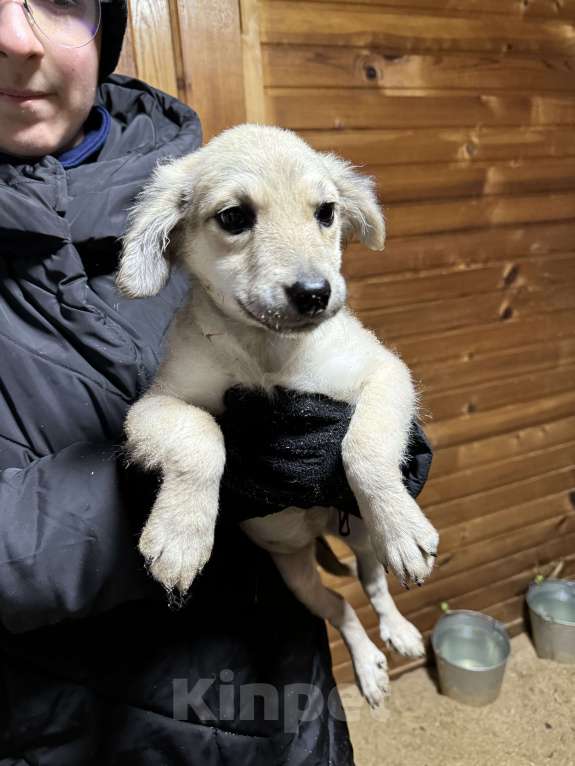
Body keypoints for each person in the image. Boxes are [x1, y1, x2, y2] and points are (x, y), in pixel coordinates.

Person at [0, 1, 355, 763]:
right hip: (71, 730)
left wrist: (369, 443)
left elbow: (322, 354)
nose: (14, 36)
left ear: (106, 21)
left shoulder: (221, 189)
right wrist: (152, 486)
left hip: (279, 697)